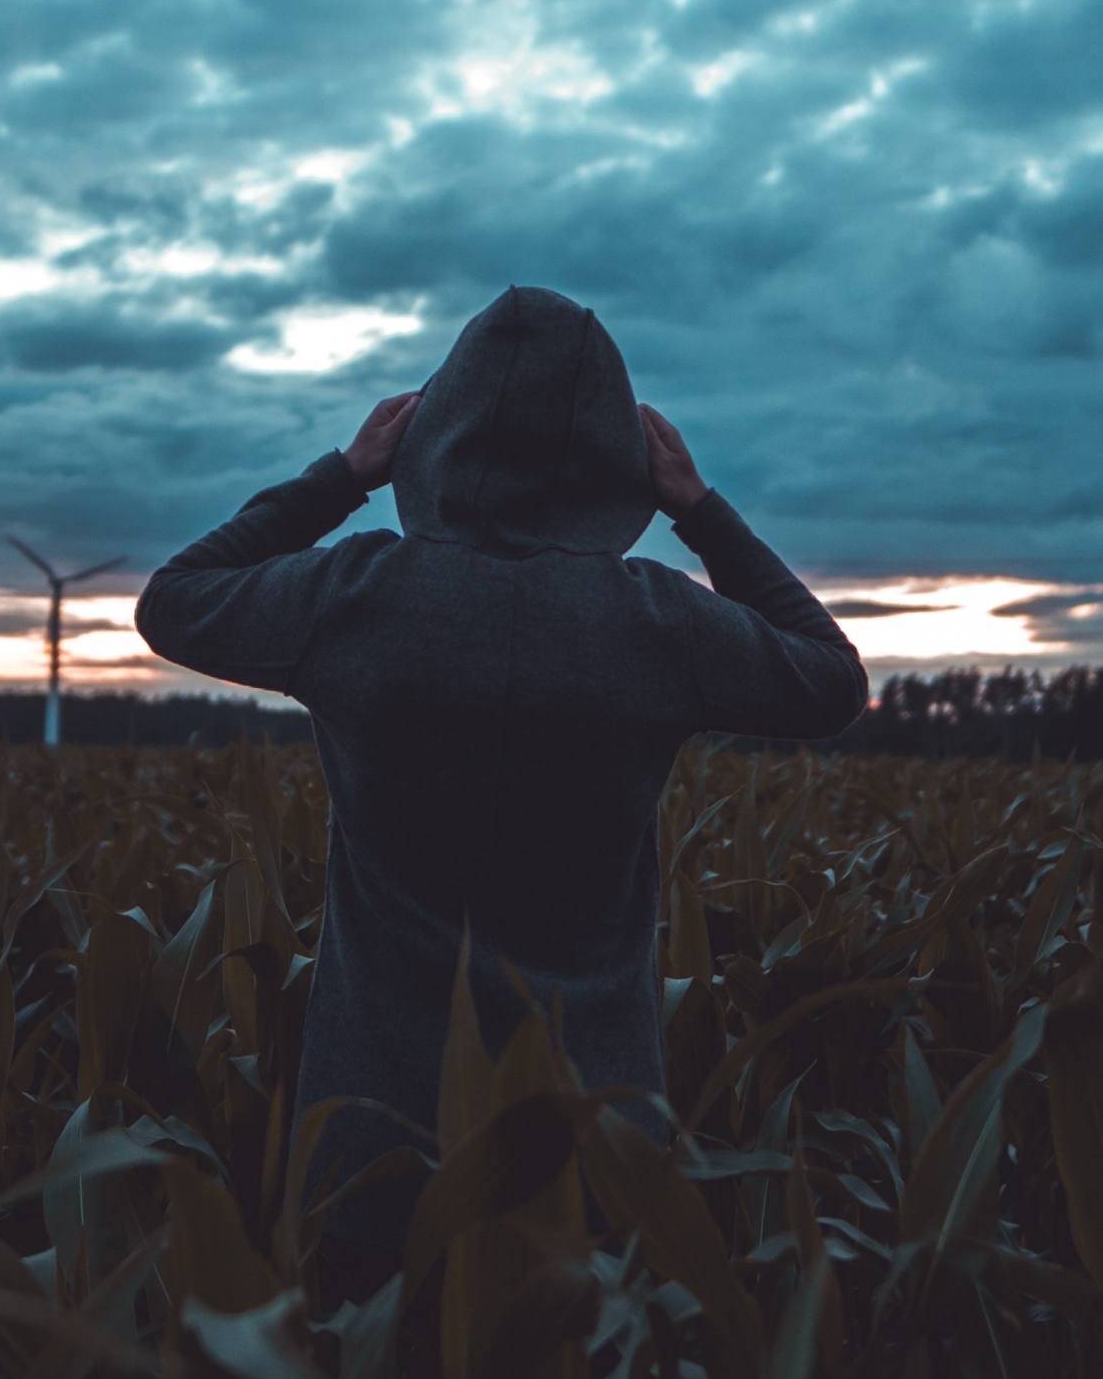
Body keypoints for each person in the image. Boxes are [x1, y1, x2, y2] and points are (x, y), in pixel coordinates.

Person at [135, 285, 867, 1299]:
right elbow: (831, 680)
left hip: (369, 1147)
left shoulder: (354, 595)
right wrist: (699, 512)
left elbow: (172, 601)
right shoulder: (658, 623)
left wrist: (340, 479)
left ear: (431, 435)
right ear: (617, 458)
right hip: (591, 1145)